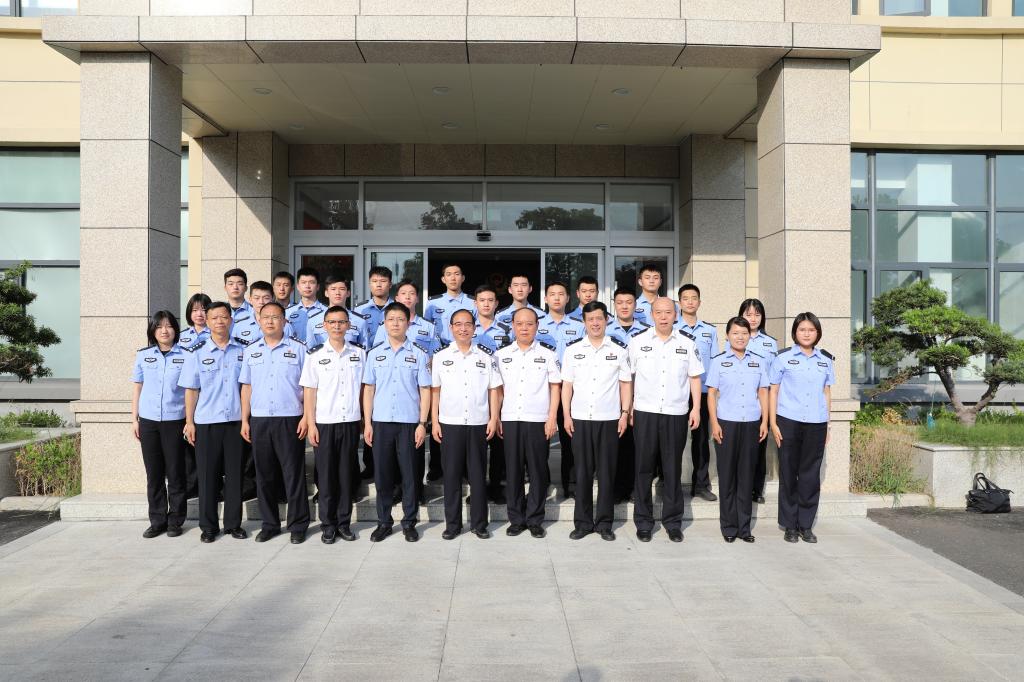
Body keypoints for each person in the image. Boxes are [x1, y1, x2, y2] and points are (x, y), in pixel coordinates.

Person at [627, 298, 702, 543]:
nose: (663, 316)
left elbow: (694, 378)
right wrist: (628, 409)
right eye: (658, 312)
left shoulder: (687, 343)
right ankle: (643, 522)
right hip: (645, 412)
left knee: (672, 469)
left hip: (675, 413)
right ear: (651, 315)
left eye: (668, 312)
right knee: (643, 469)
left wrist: (696, 408)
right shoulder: (637, 342)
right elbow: (629, 378)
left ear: (675, 315)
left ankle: (672, 522)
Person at [239, 301, 310, 544]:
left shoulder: (299, 349)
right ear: (258, 321)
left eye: (276, 317)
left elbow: (308, 387)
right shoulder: (251, 350)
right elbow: (246, 387)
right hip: (260, 419)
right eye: (266, 317)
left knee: (293, 474)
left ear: (284, 321)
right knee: (264, 474)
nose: (270, 321)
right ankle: (269, 524)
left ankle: (298, 524)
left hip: (290, 418)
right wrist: (245, 419)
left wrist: (306, 417)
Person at [561, 301, 632, 541]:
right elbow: (567, 385)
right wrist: (566, 415)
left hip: (609, 419)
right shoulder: (572, 350)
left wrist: (624, 413)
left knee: (606, 473)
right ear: (584, 322)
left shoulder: (618, 350)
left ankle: (604, 524)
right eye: (590, 319)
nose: (595, 323)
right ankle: (582, 523)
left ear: (606, 320)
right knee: (582, 473)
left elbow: (626, 384)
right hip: (581, 419)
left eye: (599, 318)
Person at [361, 302, 431, 543]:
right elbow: (369, 389)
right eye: (391, 319)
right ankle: (384, 522)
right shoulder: (374, 354)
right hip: (381, 423)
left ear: (408, 323)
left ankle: (409, 523)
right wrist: (367, 423)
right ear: (384, 323)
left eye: (400, 319)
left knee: (410, 476)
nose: (395, 324)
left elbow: (425, 390)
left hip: (409, 423)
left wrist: (422, 423)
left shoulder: (419, 354)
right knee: (383, 477)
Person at [179, 302, 248, 543]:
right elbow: (191, 390)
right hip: (207, 422)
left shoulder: (243, 350)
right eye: (214, 317)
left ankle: (233, 524)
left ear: (231, 320)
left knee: (235, 476)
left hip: (235, 422)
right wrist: (189, 422)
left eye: (224, 317)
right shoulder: (196, 352)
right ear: (207, 322)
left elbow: (246, 387)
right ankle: (208, 527)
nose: (220, 321)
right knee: (208, 476)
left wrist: (246, 420)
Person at [431, 309, 502, 540]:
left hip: (478, 423)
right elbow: (435, 391)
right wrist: (434, 421)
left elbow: (494, 390)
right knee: (451, 476)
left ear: (474, 328)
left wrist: (493, 418)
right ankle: (452, 525)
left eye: (467, 324)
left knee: (478, 476)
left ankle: (479, 524)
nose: (463, 329)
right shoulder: (441, 356)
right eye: (458, 324)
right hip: (450, 423)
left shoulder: (485, 356)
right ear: (451, 328)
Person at [301, 306, 365, 544]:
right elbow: (309, 392)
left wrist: (364, 419)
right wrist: (311, 424)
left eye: (341, 322)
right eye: (332, 322)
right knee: (326, 477)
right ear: (324, 326)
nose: (337, 326)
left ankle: (344, 523)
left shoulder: (359, 353)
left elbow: (364, 389)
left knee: (346, 476)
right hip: (324, 423)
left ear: (348, 325)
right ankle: (328, 525)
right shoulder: (315, 355)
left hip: (350, 422)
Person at [495, 307, 561, 539]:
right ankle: (516, 519)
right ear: (513, 326)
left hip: (537, 420)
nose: (524, 328)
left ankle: (534, 519)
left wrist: (552, 417)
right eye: (520, 324)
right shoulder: (501, 355)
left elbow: (555, 387)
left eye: (529, 324)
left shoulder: (548, 354)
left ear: (537, 326)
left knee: (538, 471)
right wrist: (497, 417)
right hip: (511, 419)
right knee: (512, 471)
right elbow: (498, 390)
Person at [769, 312, 834, 544]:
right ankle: (789, 525)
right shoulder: (783, 358)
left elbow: (826, 392)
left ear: (817, 333)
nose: (806, 334)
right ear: (795, 332)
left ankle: (805, 525)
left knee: (810, 476)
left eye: (811, 330)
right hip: (788, 420)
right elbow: (773, 391)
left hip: (816, 423)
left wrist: (827, 424)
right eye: (802, 329)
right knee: (788, 473)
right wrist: (773, 423)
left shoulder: (825, 360)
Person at [372, 279, 442, 492]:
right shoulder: (384, 327)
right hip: (388, 402)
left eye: (412, 293)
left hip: (416, 392)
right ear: (397, 297)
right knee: (389, 458)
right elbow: (378, 358)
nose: (408, 297)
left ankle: (415, 492)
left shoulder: (428, 327)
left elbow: (435, 357)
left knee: (414, 454)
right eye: (404, 293)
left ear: (417, 298)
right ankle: (395, 490)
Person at [706, 317, 769, 544]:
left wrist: (764, 422)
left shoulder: (758, 361)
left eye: (744, 333)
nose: (740, 337)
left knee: (746, 476)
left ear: (749, 336)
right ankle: (729, 527)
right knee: (727, 476)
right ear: (727, 336)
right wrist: (714, 423)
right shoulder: (719, 362)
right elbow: (711, 394)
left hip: (751, 423)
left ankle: (744, 528)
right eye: (735, 333)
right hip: (726, 424)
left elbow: (763, 392)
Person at [130, 310, 188, 539]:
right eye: (159, 326)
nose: (164, 330)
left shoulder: (186, 355)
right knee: (153, 474)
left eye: (169, 326)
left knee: (175, 473)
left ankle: (175, 521)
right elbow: (137, 387)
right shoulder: (143, 356)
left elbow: (191, 390)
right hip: (149, 422)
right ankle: (157, 520)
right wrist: (134, 419)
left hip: (175, 420)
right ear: (153, 331)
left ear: (175, 329)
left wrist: (190, 421)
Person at [539, 281, 585, 500]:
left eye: (561, 294)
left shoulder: (579, 326)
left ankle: (571, 484)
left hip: (570, 390)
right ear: (545, 298)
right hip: (542, 391)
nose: (556, 298)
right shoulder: (536, 324)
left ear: (568, 298)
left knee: (570, 440)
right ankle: (542, 482)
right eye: (552, 294)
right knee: (540, 442)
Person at [675, 283, 719, 502]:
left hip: (701, 392)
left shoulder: (710, 331)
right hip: (677, 392)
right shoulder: (672, 328)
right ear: (679, 303)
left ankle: (701, 484)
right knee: (673, 440)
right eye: (685, 298)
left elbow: (715, 362)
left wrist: (713, 392)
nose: (690, 302)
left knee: (701, 441)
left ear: (699, 302)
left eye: (694, 298)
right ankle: (670, 484)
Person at [607, 287, 650, 503]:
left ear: (635, 305)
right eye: (620, 302)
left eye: (629, 302)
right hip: (610, 395)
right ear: (614, 304)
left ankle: (633, 488)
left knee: (635, 445)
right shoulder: (605, 329)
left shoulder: (647, 331)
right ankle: (616, 489)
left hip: (640, 394)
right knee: (614, 444)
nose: (624, 306)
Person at [471, 284, 512, 504]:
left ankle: (496, 486)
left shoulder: (507, 330)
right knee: (475, 446)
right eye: (482, 300)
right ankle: (477, 489)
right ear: (475, 303)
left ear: (497, 304)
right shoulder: (467, 327)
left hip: (500, 391)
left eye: (490, 300)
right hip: (474, 393)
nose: (486, 304)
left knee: (498, 443)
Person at [354, 265, 395, 481]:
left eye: (383, 281)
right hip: (366, 369)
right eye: (375, 281)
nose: (379, 285)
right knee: (369, 416)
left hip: (390, 369)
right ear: (369, 284)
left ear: (390, 284)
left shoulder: (397, 309)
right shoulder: (359, 311)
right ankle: (370, 464)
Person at [739, 298, 778, 504]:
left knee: (759, 447)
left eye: (757, 314)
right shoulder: (735, 338)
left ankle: (756, 489)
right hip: (740, 401)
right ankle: (740, 486)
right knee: (740, 447)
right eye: (748, 314)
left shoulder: (770, 343)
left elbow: (774, 376)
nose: (753, 318)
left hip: (762, 401)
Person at [178, 292, 212, 498]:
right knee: (187, 444)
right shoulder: (181, 337)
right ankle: (192, 484)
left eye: (204, 310)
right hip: (184, 395)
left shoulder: (216, 335)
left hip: (208, 397)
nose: (200, 314)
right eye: (195, 310)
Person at [305, 275, 367, 349]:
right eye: (333, 289)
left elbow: (364, 350)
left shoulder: (360, 321)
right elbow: (310, 350)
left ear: (348, 293)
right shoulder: (313, 320)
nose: (337, 293)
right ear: (326, 293)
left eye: (342, 289)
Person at [424, 263, 477, 344]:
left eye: (457, 274)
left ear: (463, 278)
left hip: (467, 346)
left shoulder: (473, 302)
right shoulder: (433, 303)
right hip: (440, 347)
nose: (453, 278)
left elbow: (478, 327)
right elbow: (426, 328)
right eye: (449, 274)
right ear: (443, 279)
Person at [287, 267, 327, 344]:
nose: (307, 286)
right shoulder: (287, 312)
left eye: (311, 282)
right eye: (303, 282)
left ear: (318, 286)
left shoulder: (327, 312)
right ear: (298, 286)